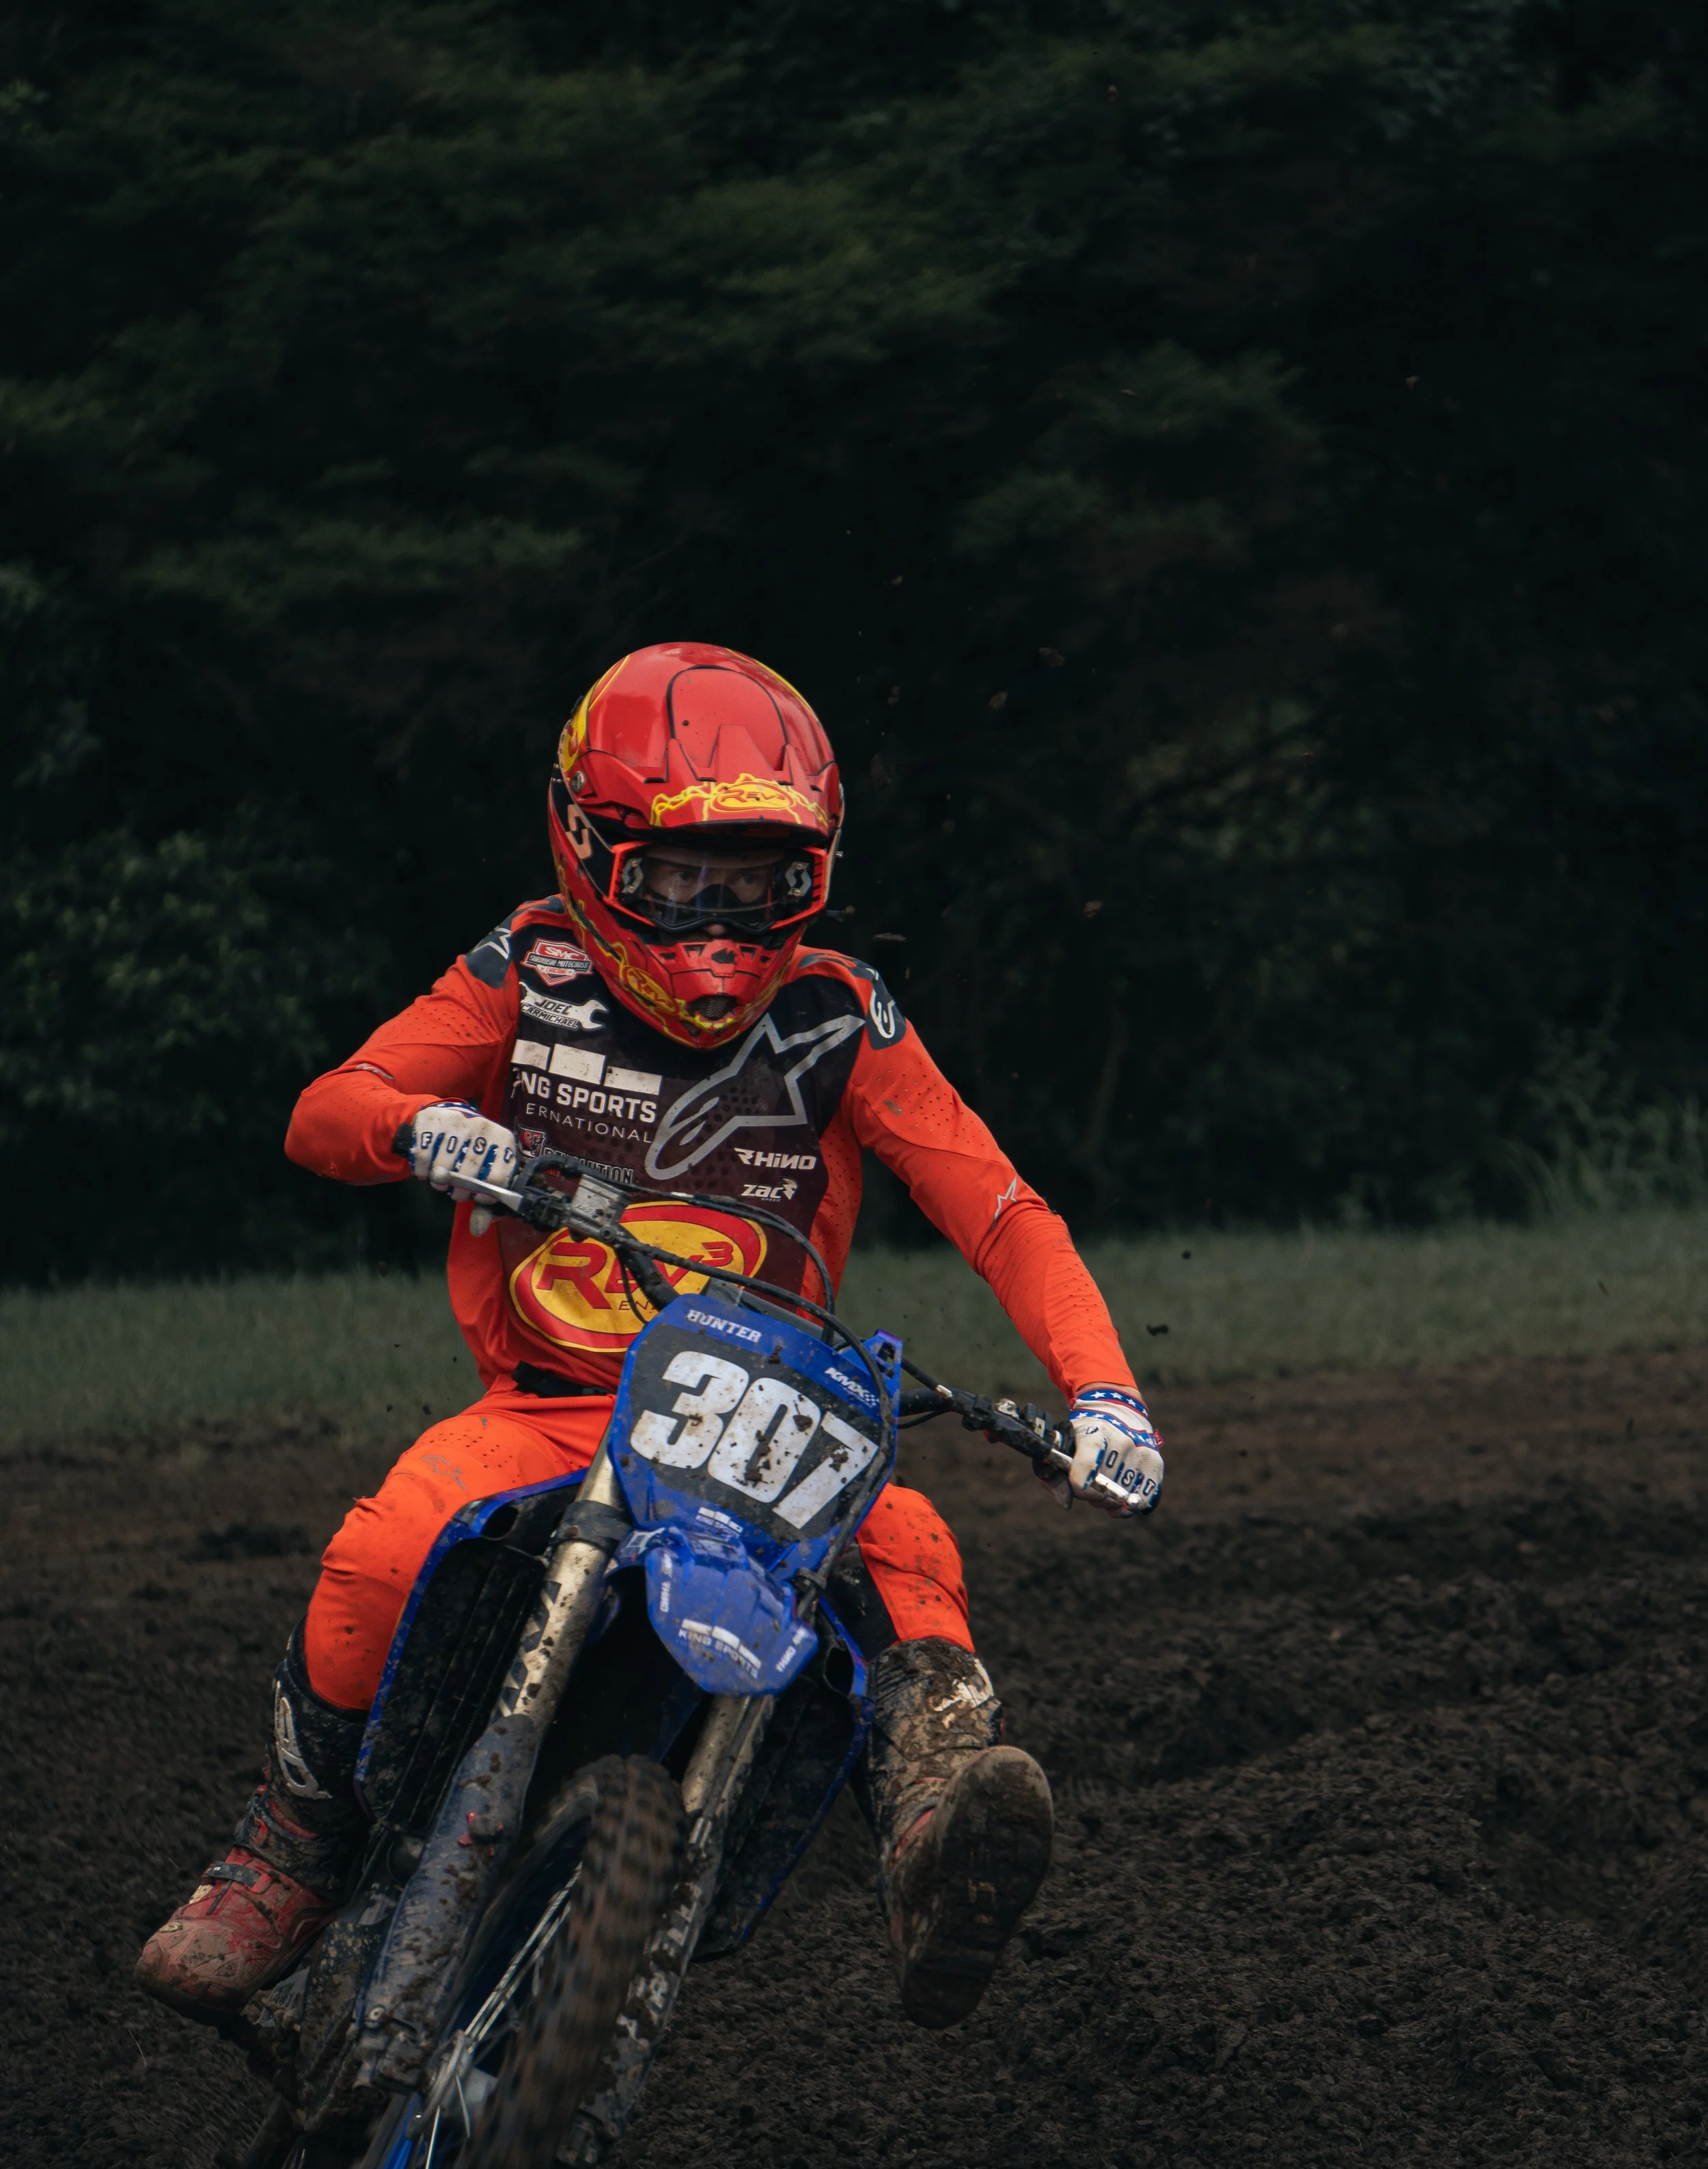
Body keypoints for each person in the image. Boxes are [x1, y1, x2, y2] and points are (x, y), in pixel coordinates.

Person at [137, 642, 1163, 2032]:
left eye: (760, 884)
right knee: (383, 1542)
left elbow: (1000, 1210)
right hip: (555, 1406)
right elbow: (328, 1110)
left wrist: (1103, 1398)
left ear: (815, 874)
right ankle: (289, 1848)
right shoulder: (525, 972)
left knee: (912, 1540)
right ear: (587, 842)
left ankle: (932, 1836)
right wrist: (418, 1125)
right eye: (680, 879)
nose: (718, 923)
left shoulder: (838, 1018)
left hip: (763, 1426)